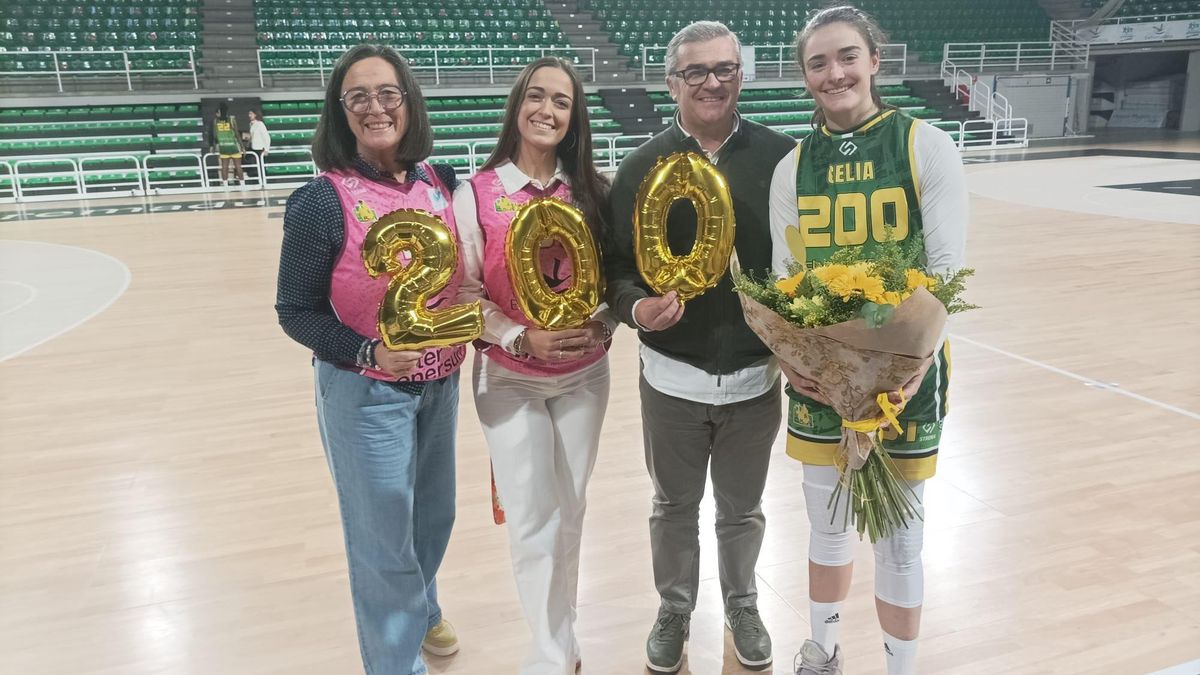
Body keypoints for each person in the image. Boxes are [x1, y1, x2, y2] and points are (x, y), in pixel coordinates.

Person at [767, 7, 969, 675]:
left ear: (875, 61)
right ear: (804, 78)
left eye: (847, 56)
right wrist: (791, 358)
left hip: (906, 382)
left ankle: (900, 667)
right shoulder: (792, 167)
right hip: (821, 382)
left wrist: (903, 371)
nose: (835, 72)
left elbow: (943, 273)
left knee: (901, 539)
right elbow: (783, 280)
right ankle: (823, 649)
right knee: (825, 528)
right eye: (818, 63)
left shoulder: (925, 145)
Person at [604, 21, 796, 674]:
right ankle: (675, 607)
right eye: (696, 72)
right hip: (671, 380)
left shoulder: (781, 159)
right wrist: (636, 306)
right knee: (672, 507)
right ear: (672, 82)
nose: (711, 82)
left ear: (741, 74)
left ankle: (743, 602)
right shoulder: (640, 168)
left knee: (743, 510)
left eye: (724, 69)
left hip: (754, 381)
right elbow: (613, 268)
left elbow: (805, 262)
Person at [274, 44, 465, 675]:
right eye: (358, 97)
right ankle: (395, 662)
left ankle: (425, 606)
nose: (376, 107)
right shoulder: (321, 200)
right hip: (366, 393)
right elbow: (294, 311)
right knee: (383, 539)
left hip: (442, 388)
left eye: (388, 93)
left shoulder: (441, 183)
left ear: (409, 101)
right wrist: (369, 350)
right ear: (340, 112)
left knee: (433, 517)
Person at [452, 56, 618, 675]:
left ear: (575, 119)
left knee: (569, 512)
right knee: (531, 518)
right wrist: (521, 337)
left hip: (584, 376)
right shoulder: (475, 193)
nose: (547, 110)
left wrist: (601, 318)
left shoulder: (594, 192)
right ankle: (551, 656)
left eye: (562, 102)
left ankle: (563, 643)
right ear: (517, 106)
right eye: (536, 97)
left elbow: (613, 281)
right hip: (508, 380)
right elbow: (466, 294)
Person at [210, 103, 245, 188]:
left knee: (224, 167)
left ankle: (225, 186)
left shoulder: (215, 121)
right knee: (238, 166)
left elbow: (214, 136)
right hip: (233, 146)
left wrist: (213, 147)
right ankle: (243, 185)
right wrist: (242, 146)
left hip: (223, 146)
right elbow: (237, 134)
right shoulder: (231, 119)